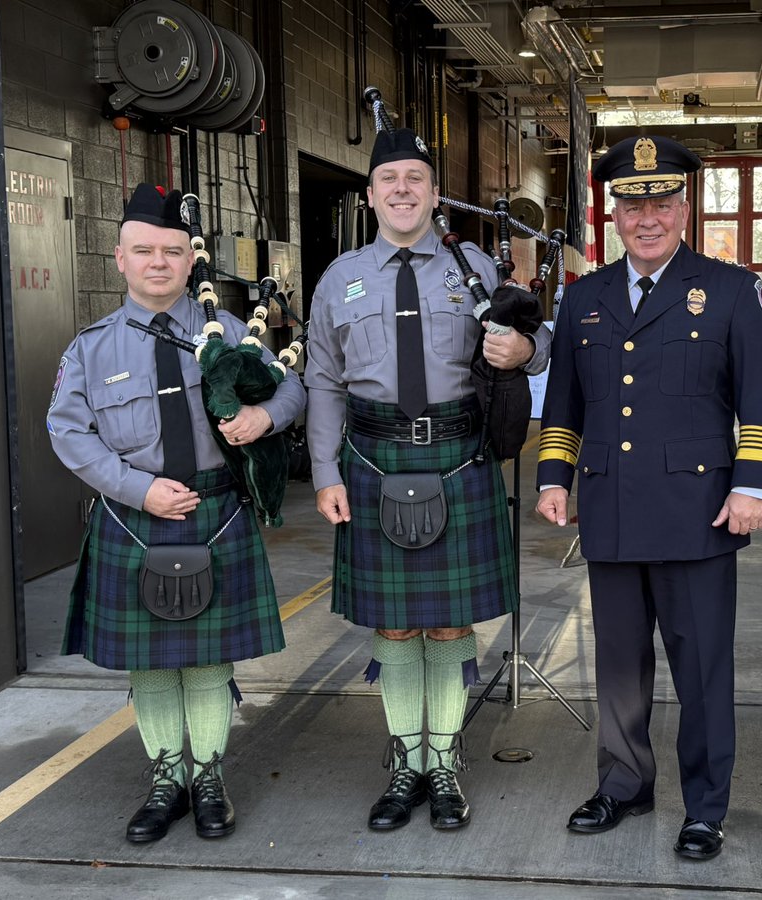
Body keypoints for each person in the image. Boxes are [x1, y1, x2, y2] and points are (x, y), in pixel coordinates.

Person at [535, 135, 762, 861]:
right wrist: (555, 476)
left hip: (700, 512)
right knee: (617, 665)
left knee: (702, 668)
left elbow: (761, 397)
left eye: (662, 202)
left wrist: (752, 484)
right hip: (609, 507)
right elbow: (564, 403)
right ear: (613, 213)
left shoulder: (732, 289)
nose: (648, 217)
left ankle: (704, 806)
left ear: (684, 208)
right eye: (632, 203)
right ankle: (623, 784)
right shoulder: (585, 296)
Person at [304, 126, 551, 832]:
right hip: (374, 460)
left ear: (434, 193)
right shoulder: (337, 279)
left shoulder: (471, 267)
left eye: (416, 178)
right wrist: (325, 472)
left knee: (447, 624)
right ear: (372, 193)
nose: (403, 190)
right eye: (390, 180)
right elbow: (322, 384)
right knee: (393, 621)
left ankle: (443, 764)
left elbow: (537, 347)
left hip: (458, 457)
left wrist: (526, 346)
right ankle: (404, 765)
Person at [48, 183, 307, 843]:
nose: (158, 262)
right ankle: (167, 778)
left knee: (207, 660)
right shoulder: (90, 349)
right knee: (154, 663)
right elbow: (69, 433)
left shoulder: (233, 332)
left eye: (170, 251)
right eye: (143, 251)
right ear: (119, 259)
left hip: (216, 513)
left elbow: (294, 387)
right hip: (135, 520)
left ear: (189, 261)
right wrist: (137, 489)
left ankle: (209, 778)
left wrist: (264, 415)